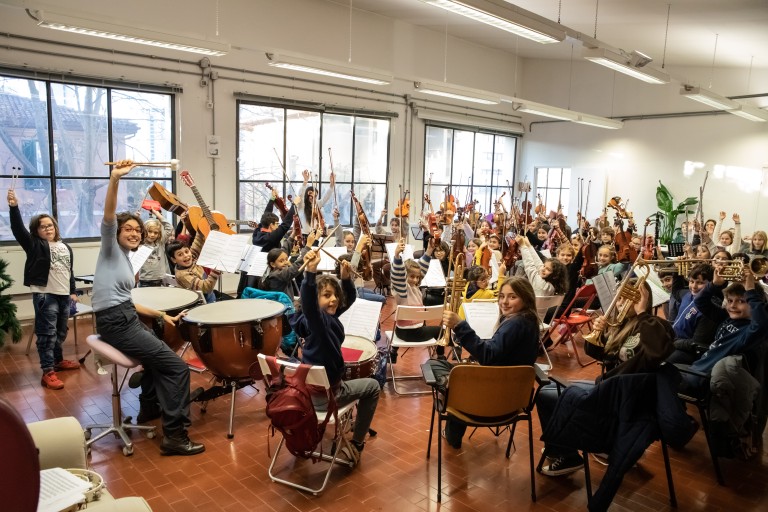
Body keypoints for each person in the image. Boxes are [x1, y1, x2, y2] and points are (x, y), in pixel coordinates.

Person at [92, 160, 204, 456]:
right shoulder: (110, 249)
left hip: (124, 316)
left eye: (137, 230)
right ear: (116, 233)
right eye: (127, 229)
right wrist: (115, 178)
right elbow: (108, 216)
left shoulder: (127, 260)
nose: (134, 233)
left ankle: (149, 409)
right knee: (178, 368)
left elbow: (127, 300)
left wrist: (163, 315)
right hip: (117, 323)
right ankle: (175, 436)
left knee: (163, 349)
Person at [537, 279, 674, 476]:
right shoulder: (621, 325)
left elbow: (656, 354)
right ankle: (560, 445)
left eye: (631, 299)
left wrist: (643, 313)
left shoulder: (655, 325)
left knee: (546, 396)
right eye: (620, 299)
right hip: (609, 389)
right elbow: (601, 356)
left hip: (624, 398)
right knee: (547, 388)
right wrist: (598, 334)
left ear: (643, 302)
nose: (622, 304)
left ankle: (568, 454)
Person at [290, 250, 380, 464]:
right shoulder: (317, 322)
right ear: (314, 300)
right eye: (326, 295)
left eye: (334, 295)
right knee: (373, 386)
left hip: (307, 393)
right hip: (324, 398)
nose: (333, 300)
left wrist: (346, 278)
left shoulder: (320, 320)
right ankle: (357, 443)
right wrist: (310, 275)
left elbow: (347, 301)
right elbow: (311, 306)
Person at [432, 277, 540, 448]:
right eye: (502, 296)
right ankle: (452, 420)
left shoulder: (516, 323)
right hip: (512, 401)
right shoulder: (528, 321)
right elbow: (499, 354)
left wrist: (460, 326)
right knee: (460, 372)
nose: (504, 302)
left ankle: (452, 425)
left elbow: (489, 356)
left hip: (487, 402)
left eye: (512, 297)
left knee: (436, 368)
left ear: (526, 298)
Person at [8, 189, 80, 390]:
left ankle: (58, 360)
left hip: (64, 295)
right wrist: (14, 207)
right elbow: (17, 230)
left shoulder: (65, 246)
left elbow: (69, 270)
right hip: (45, 294)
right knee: (47, 334)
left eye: (50, 225)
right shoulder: (34, 245)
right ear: (37, 231)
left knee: (60, 332)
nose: (47, 229)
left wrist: (72, 290)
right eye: (42, 227)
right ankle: (48, 371)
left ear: (55, 227)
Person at [666, 264, 717, 365]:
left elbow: (697, 343)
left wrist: (673, 342)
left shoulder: (710, 307)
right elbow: (676, 291)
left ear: (711, 284)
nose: (694, 286)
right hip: (674, 341)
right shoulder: (688, 294)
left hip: (688, 352)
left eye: (700, 283)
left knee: (662, 360)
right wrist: (677, 269)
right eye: (691, 281)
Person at [166, 236, 224, 304]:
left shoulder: (190, 259)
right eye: (180, 254)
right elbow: (206, 287)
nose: (185, 255)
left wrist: (201, 227)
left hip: (210, 297)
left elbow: (198, 241)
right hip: (203, 304)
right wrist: (217, 269)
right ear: (174, 260)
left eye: (186, 251)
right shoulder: (182, 275)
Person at [138, 209, 173, 287]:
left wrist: (157, 214)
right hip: (145, 281)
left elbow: (169, 227)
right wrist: (136, 217)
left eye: (155, 232)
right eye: (149, 231)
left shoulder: (160, 242)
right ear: (144, 231)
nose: (152, 235)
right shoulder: (139, 244)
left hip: (161, 280)